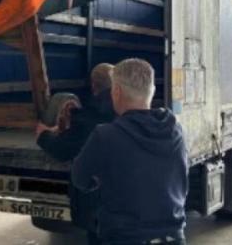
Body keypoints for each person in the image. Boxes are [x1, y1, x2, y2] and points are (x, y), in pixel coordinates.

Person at [72, 58, 188, 245]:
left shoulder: (105, 135)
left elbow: (79, 178)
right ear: (152, 91)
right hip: (174, 238)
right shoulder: (175, 130)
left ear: (116, 92)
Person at [36, 62, 116, 162]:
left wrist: (43, 135)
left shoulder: (95, 114)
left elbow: (65, 149)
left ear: (93, 86)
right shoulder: (122, 111)